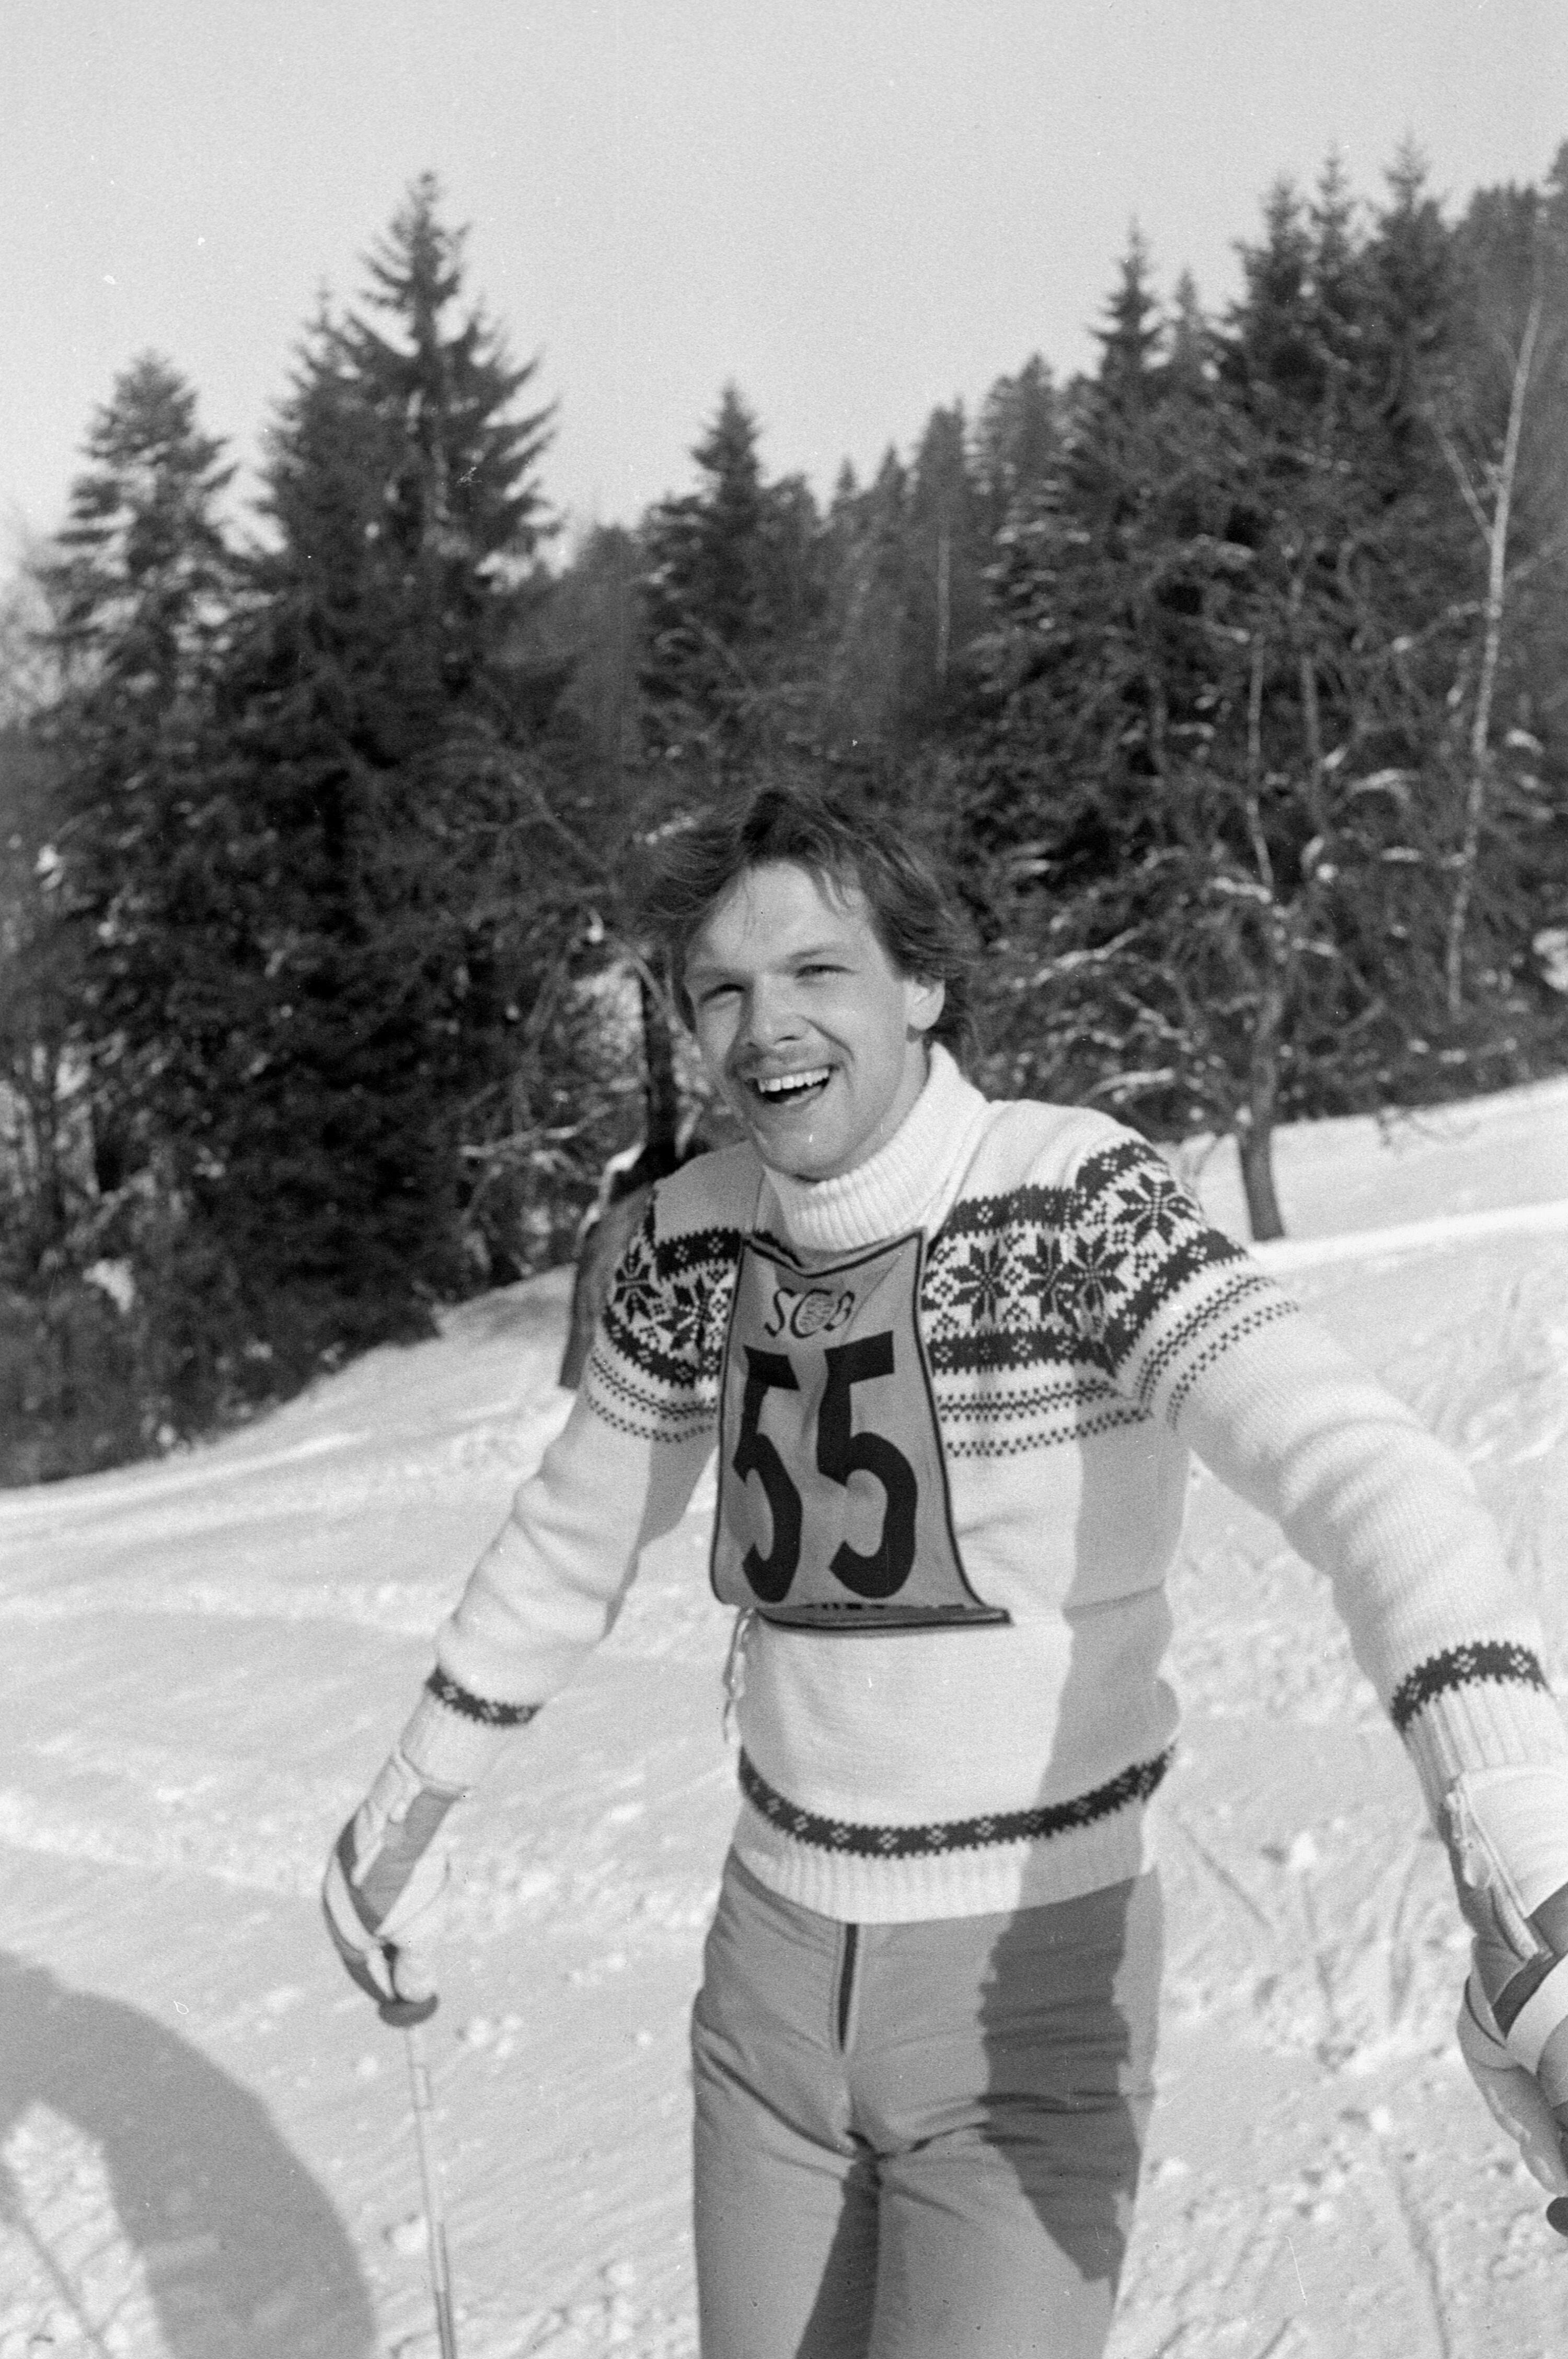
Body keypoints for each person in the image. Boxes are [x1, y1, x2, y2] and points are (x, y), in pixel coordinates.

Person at [324, 783, 1568, 2358]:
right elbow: (572, 1537)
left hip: (1024, 2004)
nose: (766, 1025)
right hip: (769, 2000)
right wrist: (409, 1799)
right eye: (722, 989)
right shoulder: (690, 1241)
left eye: (817, 970)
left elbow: (1367, 1472)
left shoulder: (1074, 1203)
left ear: (921, 984)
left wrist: (1525, 1851)